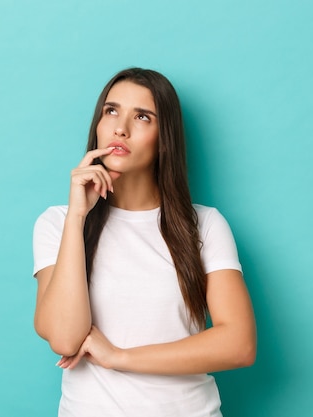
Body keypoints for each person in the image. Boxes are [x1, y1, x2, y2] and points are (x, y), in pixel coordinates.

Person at [32, 67, 256, 417]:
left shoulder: (205, 225)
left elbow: (239, 344)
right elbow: (64, 338)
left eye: (142, 116)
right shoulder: (58, 222)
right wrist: (78, 217)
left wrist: (119, 357)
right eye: (111, 111)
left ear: (163, 137)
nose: (121, 127)